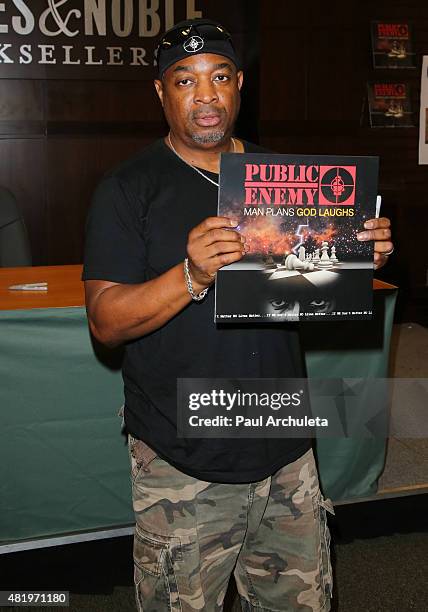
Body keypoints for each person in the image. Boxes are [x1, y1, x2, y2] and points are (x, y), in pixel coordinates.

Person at [83, 18, 394, 612]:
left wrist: (357, 252)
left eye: (220, 76)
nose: (206, 96)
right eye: (185, 80)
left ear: (239, 83)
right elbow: (106, 322)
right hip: (184, 459)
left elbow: (313, 288)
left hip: (285, 449)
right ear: (160, 91)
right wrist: (190, 275)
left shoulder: (284, 182)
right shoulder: (128, 189)